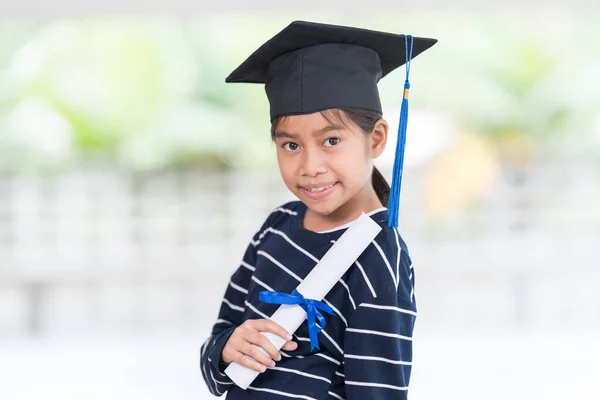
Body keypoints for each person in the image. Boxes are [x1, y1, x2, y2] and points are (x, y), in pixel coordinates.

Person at [199, 20, 436, 399]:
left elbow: (378, 393)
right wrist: (228, 347)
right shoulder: (276, 227)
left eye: (331, 140)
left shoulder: (379, 261)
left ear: (374, 139)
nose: (310, 166)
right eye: (290, 145)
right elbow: (217, 351)